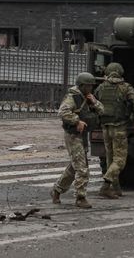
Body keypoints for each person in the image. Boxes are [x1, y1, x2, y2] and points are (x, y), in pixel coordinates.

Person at [51, 72, 104, 209]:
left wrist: (94, 102)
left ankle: (57, 190)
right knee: (82, 168)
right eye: (88, 86)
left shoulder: (87, 97)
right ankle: (80, 197)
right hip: (73, 135)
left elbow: (102, 111)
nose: (90, 88)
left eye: (92, 86)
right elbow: (62, 112)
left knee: (74, 167)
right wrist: (77, 121)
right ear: (82, 85)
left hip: (83, 136)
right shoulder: (73, 97)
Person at [95, 62, 134, 199]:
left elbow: (94, 103)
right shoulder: (125, 88)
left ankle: (116, 189)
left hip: (105, 128)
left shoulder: (101, 88)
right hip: (119, 128)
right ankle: (105, 186)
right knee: (120, 161)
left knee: (110, 159)